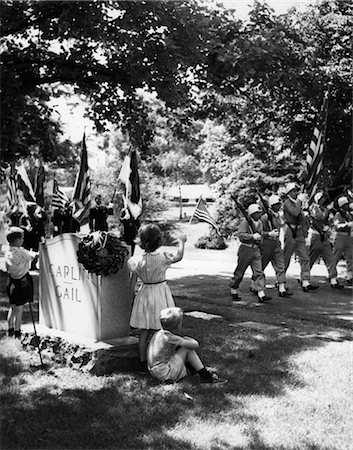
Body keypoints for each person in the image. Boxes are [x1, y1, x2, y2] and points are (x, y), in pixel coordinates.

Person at [128, 223, 187, 373]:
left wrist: (133, 295)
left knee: (144, 331)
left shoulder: (137, 260)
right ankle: (159, 359)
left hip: (145, 292)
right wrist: (181, 242)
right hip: (160, 292)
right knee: (161, 329)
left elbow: (132, 283)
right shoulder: (163, 257)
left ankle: (142, 362)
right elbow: (179, 256)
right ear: (159, 240)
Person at [147, 307, 228, 384]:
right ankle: (205, 376)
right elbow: (195, 345)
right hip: (164, 373)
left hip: (154, 370)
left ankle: (193, 368)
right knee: (187, 349)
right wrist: (187, 338)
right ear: (178, 325)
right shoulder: (170, 338)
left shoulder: (159, 333)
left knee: (180, 349)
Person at [230, 203, 272, 303]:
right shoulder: (246, 223)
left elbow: (260, 234)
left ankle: (261, 293)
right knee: (240, 272)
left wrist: (268, 234)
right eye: (257, 213)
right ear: (251, 214)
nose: (259, 215)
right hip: (246, 249)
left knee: (259, 272)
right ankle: (234, 288)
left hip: (256, 249)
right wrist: (251, 237)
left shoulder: (260, 223)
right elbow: (240, 235)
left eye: (260, 213)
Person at [282, 183, 318, 292]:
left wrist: (305, 231)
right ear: (289, 193)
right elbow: (295, 212)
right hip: (290, 231)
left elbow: (302, 218)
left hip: (299, 232)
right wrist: (299, 203)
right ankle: (280, 281)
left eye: (296, 190)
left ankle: (305, 281)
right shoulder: (287, 203)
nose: (296, 192)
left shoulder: (298, 203)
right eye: (293, 191)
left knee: (305, 257)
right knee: (286, 257)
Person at [256, 195, 293, 298]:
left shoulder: (278, 217)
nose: (278, 206)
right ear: (271, 206)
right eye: (276, 204)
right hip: (267, 243)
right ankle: (256, 286)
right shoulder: (265, 218)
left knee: (281, 266)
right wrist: (268, 233)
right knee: (261, 267)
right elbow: (259, 232)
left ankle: (281, 288)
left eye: (279, 204)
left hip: (276, 243)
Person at [4, 227, 38, 339]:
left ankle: (10, 329)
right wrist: (36, 253)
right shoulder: (21, 252)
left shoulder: (7, 252)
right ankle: (18, 332)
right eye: (22, 238)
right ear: (17, 240)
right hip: (21, 282)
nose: (23, 240)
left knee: (13, 307)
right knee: (20, 308)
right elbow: (32, 256)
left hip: (11, 282)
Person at [308, 192, 343, 289]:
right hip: (315, 234)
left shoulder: (326, 209)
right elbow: (319, 217)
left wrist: (328, 225)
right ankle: (305, 278)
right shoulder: (313, 207)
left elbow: (329, 221)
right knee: (311, 257)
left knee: (330, 257)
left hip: (324, 235)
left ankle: (333, 279)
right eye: (321, 198)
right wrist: (327, 213)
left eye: (324, 198)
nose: (323, 199)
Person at [330, 196, 353, 285]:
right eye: (346, 204)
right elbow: (337, 226)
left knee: (350, 257)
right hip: (340, 237)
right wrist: (347, 225)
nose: (348, 206)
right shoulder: (338, 214)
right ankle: (332, 276)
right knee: (335, 257)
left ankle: (350, 276)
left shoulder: (348, 214)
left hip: (348, 237)